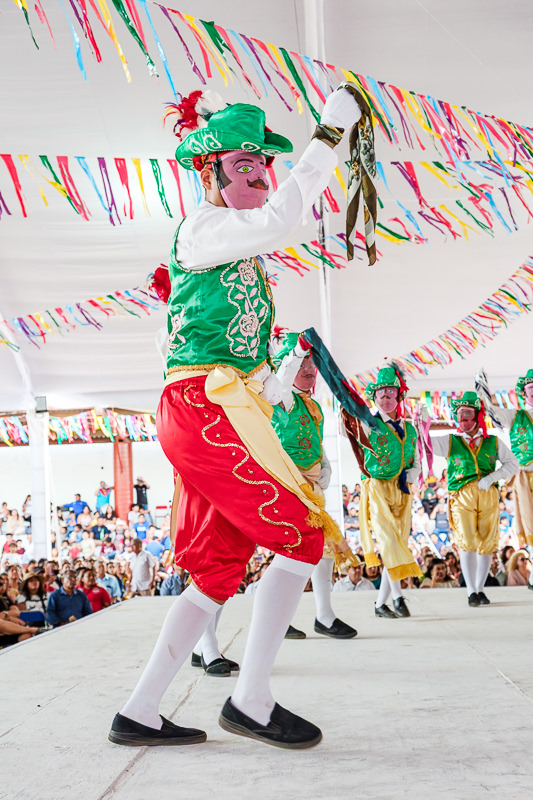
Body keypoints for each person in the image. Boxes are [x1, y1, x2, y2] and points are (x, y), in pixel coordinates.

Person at [110, 84, 365, 749]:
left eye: (261, 162)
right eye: (240, 162)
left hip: (221, 401)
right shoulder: (202, 229)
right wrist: (328, 134)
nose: (256, 172)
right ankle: (250, 699)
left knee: (220, 568)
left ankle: (137, 711)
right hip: (202, 404)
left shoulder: (238, 249)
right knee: (302, 536)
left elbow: (244, 337)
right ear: (208, 170)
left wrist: (277, 388)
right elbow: (284, 219)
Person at [270, 331, 358, 639]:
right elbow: (282, 379)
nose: (309, 371)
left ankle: (321, 615)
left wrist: (324, 464)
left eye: (312, 365)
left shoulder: (313, 405)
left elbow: (316, 443)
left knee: (321, 550)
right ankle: (283, 618)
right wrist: (296, 353)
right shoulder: (281, 398)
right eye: (301, 366)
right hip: (288, 487)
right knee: (295, 551)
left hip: (311, 489)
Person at [342, 365, 422, 618]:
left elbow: (416, 459)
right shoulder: (369, 424)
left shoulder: (410, 429)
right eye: (381, 395)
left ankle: (380, 604)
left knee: (398, 542)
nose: (385, 399)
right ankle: (398, 598)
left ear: (399, 397)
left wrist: (414, 473)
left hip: (402, 490)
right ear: (374, 398)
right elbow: (346, 426)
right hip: (376, 488)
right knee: (388, 542)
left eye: (390, 394)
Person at [426, 392, 518, 607]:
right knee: (467, 543)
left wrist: (493, 477)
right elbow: (423, 443)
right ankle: (470, 591)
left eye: (468, 417)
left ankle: (480, 589)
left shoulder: (493, 441)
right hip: (462, 495)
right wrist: (422, 423)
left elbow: (512, 464)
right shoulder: (450, 441)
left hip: (488, 494)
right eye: (460, 418)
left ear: (478, 416)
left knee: (487, 543)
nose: (464, 422)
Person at [476, 368, 533, 548]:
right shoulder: (516, 416)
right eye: (532, 388)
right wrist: (482, 389)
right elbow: (490, 412)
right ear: (524, 393)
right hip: (525, 476)